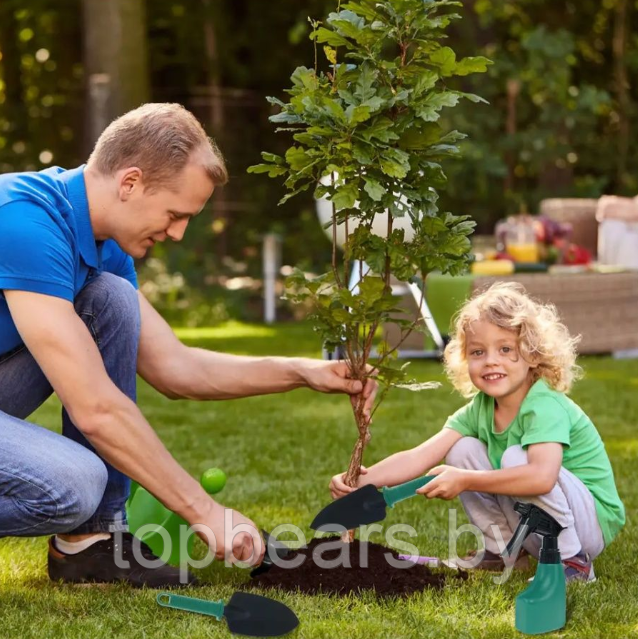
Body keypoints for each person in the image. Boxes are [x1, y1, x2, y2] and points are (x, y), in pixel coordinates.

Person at [0, 103, 376, 587]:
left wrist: (302, 371)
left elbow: (177, 369)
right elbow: (94, 406)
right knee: (75, 483)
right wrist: (203, 509)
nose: (177, 233)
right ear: (130, 183)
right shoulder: (24, 222)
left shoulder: (104, 247)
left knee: (113, 300)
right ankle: (88, 526)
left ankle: (90, 545)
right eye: (175, 214)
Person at [330, 282, 624, 582]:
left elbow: (541, 477)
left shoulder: (544, 405)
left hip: (587, 527)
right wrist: (362, 481)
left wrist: (465, 480)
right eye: (478, 351)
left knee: (515, 457)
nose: (490, 360)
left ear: (533, 355)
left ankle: (573, 563)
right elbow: (420, 456)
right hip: (539, 527)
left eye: (505, 349)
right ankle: (504, 552)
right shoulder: (480, 409)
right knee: (462, 449)